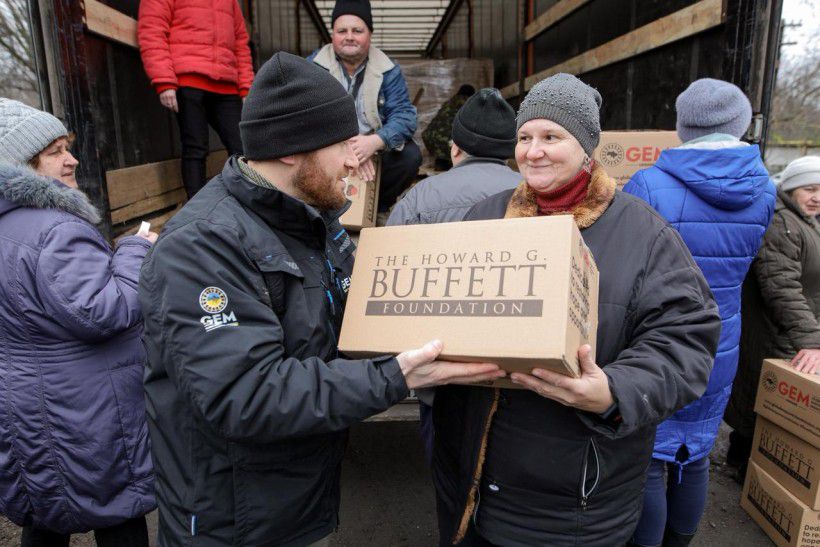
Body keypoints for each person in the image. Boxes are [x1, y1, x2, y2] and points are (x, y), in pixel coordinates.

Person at [139, 52, 503, 547]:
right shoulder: (202, 246)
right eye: (343, 145)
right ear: (290, 150)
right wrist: (395, 375)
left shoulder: (314, 221)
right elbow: (245, 394)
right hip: (237, 520)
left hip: (300, 499)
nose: (357, 160)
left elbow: (359, 317)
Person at [431, 74, 722, 547]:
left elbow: (686, 341)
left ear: (586, 146)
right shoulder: (484, 216)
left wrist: (614, 393)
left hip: (577, 499)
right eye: (525, 137)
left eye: (552, 137)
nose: (533, 151)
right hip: (479, 486)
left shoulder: (643, 233)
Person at [622, 78, 775, 547]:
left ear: (681, 127)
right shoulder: (765, 188)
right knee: (696, 452)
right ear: (742, 124)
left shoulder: (648, 182)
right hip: (720, 342)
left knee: (649, 453)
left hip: (659, 341)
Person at [0, 99, 157, 547]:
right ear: (19, 163)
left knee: (46, 508)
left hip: (24, 403)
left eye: (68, 147)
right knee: (118, 510)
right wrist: (133, 251)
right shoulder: (55, 229)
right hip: (86, 409)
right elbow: (104, 311)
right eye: (54, 151)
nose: (71, 160)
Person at [724, 155, 820, 478]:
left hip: (788, 328)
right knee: (762, 397)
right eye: (810, 189)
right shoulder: (782, 223)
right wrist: (811, 339)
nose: (817, 197)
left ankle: (754, 468)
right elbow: (782, 287)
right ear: (792, 188)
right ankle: (746, 470)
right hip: (773, 330)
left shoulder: (805, 220)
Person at [308, 0, 422, 212]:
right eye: (342, 30)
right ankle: (321, 209)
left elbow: (405, 116)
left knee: (410, 156)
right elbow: (302, 116)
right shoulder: (313, 66)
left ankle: (375, 207)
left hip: (371, 147)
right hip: (327, 145)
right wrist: (346, 148)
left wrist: (374, 142)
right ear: (332, 35)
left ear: (369, 34)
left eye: (357, 30)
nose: (349, 36)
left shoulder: (388, 69)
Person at [138, 0, 254, 198]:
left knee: (244, 147)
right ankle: (197, 210)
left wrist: (246, 87)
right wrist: (164, 81)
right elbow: (152, 30)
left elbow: (240, 42)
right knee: (196, 148)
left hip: (226, 83)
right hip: (188, 79)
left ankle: (248, 204)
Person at [422, 84, 475, 170]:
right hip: (448, 140)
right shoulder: (470, 105)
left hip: (430, 137)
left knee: (442, 158)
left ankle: (441, 167)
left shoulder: (449, 102)